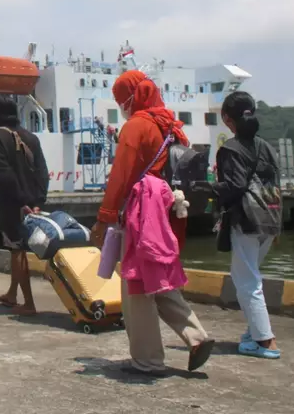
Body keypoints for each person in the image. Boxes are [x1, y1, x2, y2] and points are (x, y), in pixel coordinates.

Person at [91, 70, 213, 376]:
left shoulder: (137, 127)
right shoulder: (172, 126)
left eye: (122, 99)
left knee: (136, 284)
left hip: (141, 213)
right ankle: (197, 337)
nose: (122, 105)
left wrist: (104, 219)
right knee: (157, 277)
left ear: (133, 97)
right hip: (167, 212)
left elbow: (120, 177)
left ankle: (147, 361)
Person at [210, 92, 282, 359]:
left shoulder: (230, 149)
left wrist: (207, 188)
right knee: (250, 276)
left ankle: (266, 341)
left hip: (247, 220)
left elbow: (234, 187)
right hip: (271, 219)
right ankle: (253, 334)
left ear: (227, 119)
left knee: (247, 281)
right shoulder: (268, 147)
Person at [0, 95, 49, 317]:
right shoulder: (31, 137)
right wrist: (38, 201)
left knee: (17, 249)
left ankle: (29, 303)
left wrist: (21, 202)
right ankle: (12, 293)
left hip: (12, 203)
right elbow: (42, 171)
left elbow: (4, 173)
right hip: (32, 202)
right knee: (17, 250)